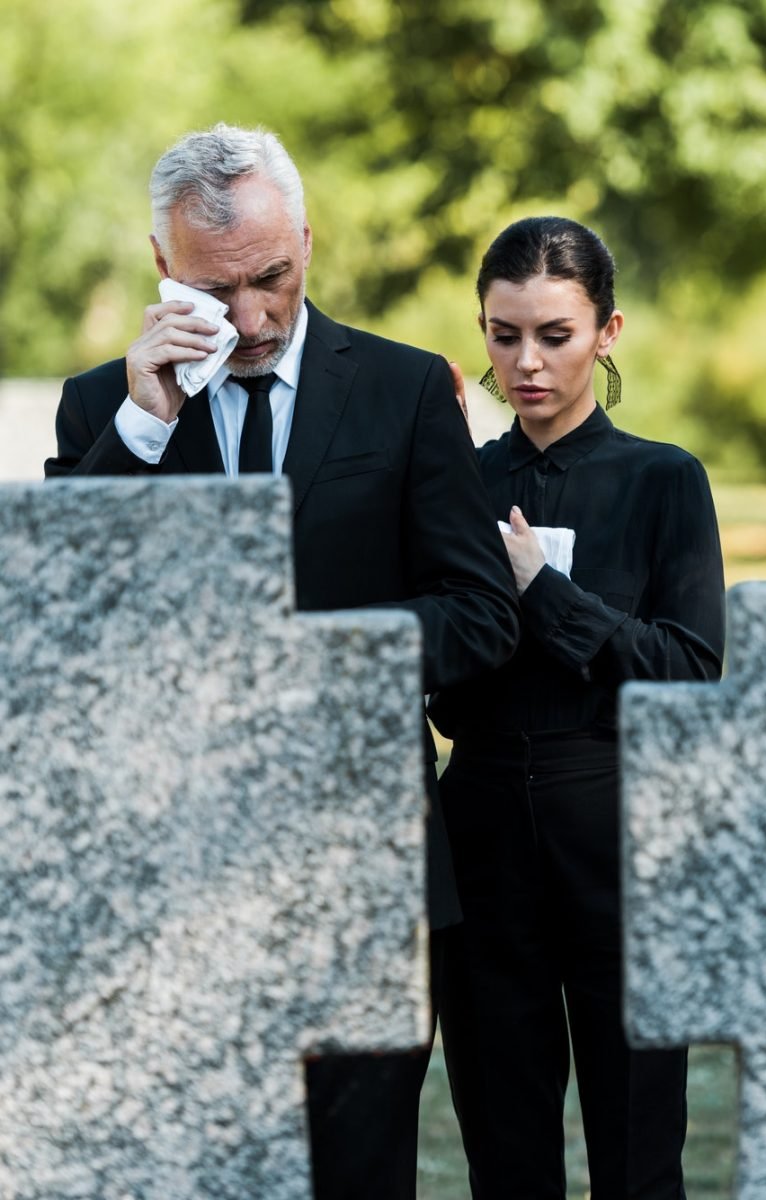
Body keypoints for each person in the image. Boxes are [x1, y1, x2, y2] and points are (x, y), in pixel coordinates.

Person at [44, 122, 520, 1200]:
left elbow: (481, 615)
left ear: (308, 239)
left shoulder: (406, 391)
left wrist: (322, 664)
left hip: (364, 864)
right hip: (167, 871)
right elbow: (63, 626)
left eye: (274, 278)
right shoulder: (100, 414)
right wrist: (143, 428)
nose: (254, 319)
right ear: (165, 268)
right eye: (221, 291)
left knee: (359, 1177)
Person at [430, 216, 726, 1199]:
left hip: (624, 842)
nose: (525, 361)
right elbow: (435, 675)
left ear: (608, 332)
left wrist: (544, 596)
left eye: (554, 335)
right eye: (502, 334)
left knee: (641, 1157)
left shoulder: (663, 480)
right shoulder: (459, 483)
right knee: (505, 1158)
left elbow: (689, 667)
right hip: (481, 846)